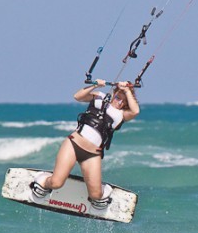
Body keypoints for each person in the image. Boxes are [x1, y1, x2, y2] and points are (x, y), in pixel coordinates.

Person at [30, 79, 140, 208]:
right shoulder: (99, 96)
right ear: (114, 93)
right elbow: (78, 96)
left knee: (96, 195)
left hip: (92, 155)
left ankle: (104, 191)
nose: (119, 102)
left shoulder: (122, 115)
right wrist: (95, 85)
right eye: (117, 97)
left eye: (123, 101)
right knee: (56, 183)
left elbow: (135, 111)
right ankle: (43, 180)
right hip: (73, 144)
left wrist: (127, 91)